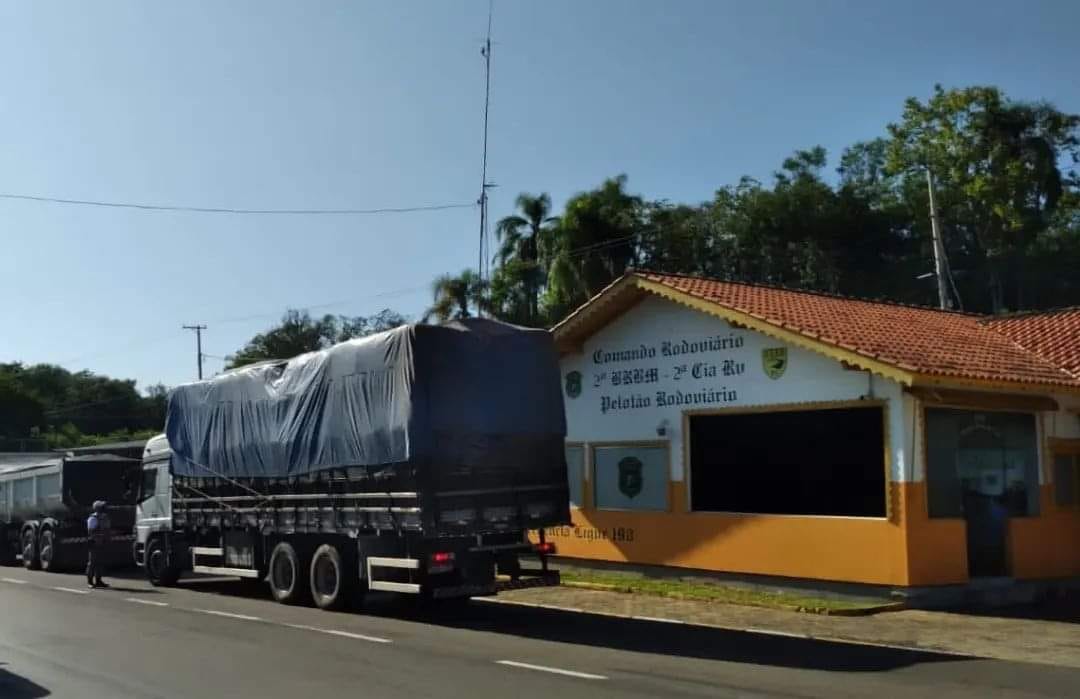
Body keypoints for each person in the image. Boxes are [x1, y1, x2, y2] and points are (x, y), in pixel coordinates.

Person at [86, 500, 110, 589]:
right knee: (92, 562)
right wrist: (97, 538)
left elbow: (107, 530)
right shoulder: (93, 518)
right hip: (94, 542)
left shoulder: (105, 517)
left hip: (102, 542)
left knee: (100, 562)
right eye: (102, 507)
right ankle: (90, 581)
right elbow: (91, 531)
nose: (104, 509)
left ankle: (99, 580)